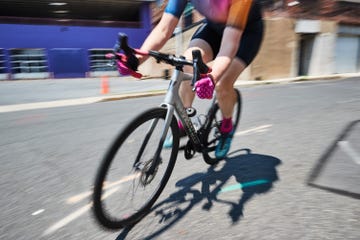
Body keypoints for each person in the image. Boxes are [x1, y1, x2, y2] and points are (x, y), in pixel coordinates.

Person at [120, 0, 264, 159]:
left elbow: (229, 44)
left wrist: (212, 77)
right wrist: (136, 59)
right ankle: (185, 123)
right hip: (213, 29)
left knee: (223, 83)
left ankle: (226, 128)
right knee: (186, 64)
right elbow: (163, 28)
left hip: (245, 35)